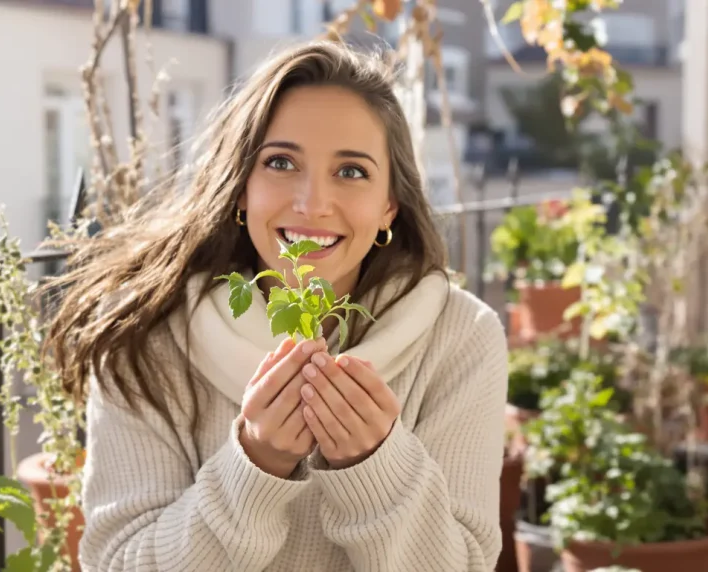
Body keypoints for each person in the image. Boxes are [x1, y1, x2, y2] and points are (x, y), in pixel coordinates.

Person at [48, 40, 509, 572]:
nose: (312, 203)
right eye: (281, 162)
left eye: (352, 171)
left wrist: (377, 467)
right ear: (240, 187)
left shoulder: (461, 336)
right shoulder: (146, 336)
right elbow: (117, 562)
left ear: (389, 206)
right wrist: (255, 465)